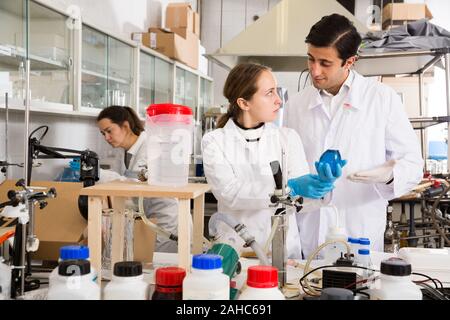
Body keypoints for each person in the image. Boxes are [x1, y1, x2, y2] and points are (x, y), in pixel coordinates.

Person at [284, 14, 424, 256]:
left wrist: (388, 176)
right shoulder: (296, 105)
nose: (314, 71)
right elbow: (285, 164)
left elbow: (412, 165)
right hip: (309, 232)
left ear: (350, 62)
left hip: (360, 230)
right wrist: (295, 184)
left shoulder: (381, 98)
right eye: (310, 59)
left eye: (325, 63)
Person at [202, 63, 337, 259]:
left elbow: (299, 203)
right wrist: (288, 188)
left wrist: (321, 188)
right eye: (269, 93)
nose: (279, 101)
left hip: (283, 253)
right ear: (244, 103)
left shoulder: (287, 138)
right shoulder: (215, 141)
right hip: (237, 252)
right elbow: (229, 193)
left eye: (277, 91)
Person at [97, 105, 179, 253]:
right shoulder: (127, 151)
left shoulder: (148, 146)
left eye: (109, 131)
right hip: (152, 218)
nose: (106, 138)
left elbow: (135, 185)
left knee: (165, 265)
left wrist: (99, 174)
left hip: (167, 219)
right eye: (103, 133)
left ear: (126, 126)